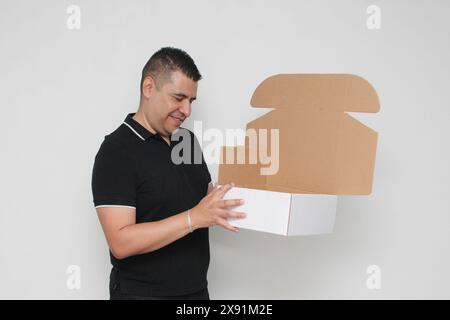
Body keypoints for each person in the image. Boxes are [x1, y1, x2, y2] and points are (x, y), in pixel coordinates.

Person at [91, 47, 246, 300]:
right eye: (178, 98)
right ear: (149, 88)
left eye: (191, 101)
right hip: (142, 295)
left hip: (196, 292)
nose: (187, 111)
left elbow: (203, 200)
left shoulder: (187, 141)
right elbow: (120, 242)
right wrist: (194, 217)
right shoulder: (116, 152)